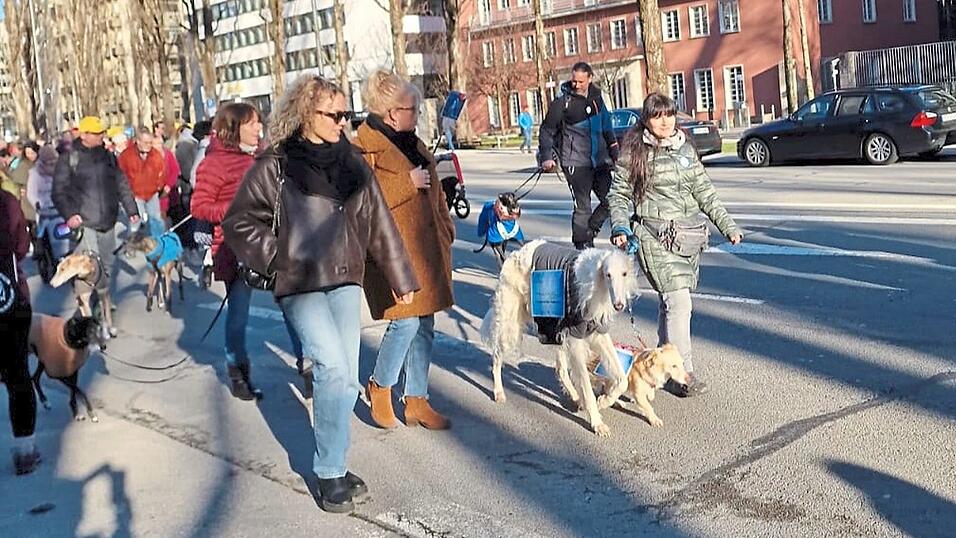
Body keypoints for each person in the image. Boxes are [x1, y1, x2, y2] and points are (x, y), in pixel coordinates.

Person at [221, 75, 418, 514]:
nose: (341, 122)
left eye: (345, 114)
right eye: (334, 114)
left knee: (346, 379)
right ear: (307, 114)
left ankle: (337, 463)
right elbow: (238, 223)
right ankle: (329, 472)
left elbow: (379, 221)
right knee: (329, 369)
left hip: (344, 279)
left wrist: (400, 278)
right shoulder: (277, 163)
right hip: (300, 284)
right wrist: (278, 257)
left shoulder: (351, 162)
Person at [608, 93, 743, 397]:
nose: (665, 122)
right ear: (647, 119)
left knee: (669, 303)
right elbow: (618, 196)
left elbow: (705, 191)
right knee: (679, 301)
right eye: (657, 116)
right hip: (653, 236)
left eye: (669, 115)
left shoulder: (684, 148)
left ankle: (661, 365)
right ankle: (684, 374)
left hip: (686, 236)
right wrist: (619, 226)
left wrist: (728, 226)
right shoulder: (634, 152)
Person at [354, 69, 455, 431]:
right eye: (412, 109)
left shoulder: (412, 141)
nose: (417, 115)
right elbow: (362, 199)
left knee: (425, 322)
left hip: (425, 251)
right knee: (406, 321)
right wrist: (405, 183)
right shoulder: (364, 146)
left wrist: (446, 227)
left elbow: (435, 191)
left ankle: (416, 399)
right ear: (392, 112)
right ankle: (380, 386)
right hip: (391, 253)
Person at [191, 103, 304, 400]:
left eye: (259, 123)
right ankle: (238, 372)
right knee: (238, 315)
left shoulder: (264, 156)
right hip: (235, 249)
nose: (259, 129)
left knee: (292, 305)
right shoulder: (214, 163)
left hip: (272, 245)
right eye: (252, 124)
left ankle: (309, 367)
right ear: (234, 128)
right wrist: (238, 209)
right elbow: (199, 206)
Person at [538, 61, 619, 250]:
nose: (576, 85)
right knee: (583, 207)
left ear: (590, 79)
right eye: (574, 81)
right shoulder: (562, 103)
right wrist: (546, 156)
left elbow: (607, 126)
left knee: (612, 199)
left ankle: (590, 229)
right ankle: (583, 246)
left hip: (599, 162)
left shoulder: (597, 99)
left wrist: (614, 150)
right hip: (575, 163)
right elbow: (546, 130)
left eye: (581, 81)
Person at [52, 116, 140, 289]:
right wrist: (69, 215)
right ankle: (88, 307)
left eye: (102, 132)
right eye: (96, 133)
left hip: (108, 220)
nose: (101, 136)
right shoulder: (69, 159)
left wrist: (131, 210)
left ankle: (103, 300)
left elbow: (121, 183)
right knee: (87, 266)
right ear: (84, 135)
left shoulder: (108, 157)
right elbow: (58, 192)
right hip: (84, 222)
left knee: (107, 265)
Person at [0, 187, 39, 475]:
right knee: (18, 374)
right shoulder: (7, 201)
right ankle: (25, 450)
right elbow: (22, 246)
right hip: (10, 298)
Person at [118, 128, 167, 236]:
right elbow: (121, 176)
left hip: (152, 194)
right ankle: (134, 246)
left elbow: (162, 172)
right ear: (138, 141)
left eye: (150, 142)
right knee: (136, 223)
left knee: (157, 221)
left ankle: (159, 244)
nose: (148, 145)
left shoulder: (155, 154)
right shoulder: (126, 156)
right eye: (146, 142)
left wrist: (160, 186)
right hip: (135, 195)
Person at [153, 136, 181, 221]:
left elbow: (175, 170)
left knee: (167, 217)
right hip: (154, 192)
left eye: (160, 144)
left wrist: (168, 185)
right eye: (156, 144)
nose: (158, 146)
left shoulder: (167, 154)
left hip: (168, 192)